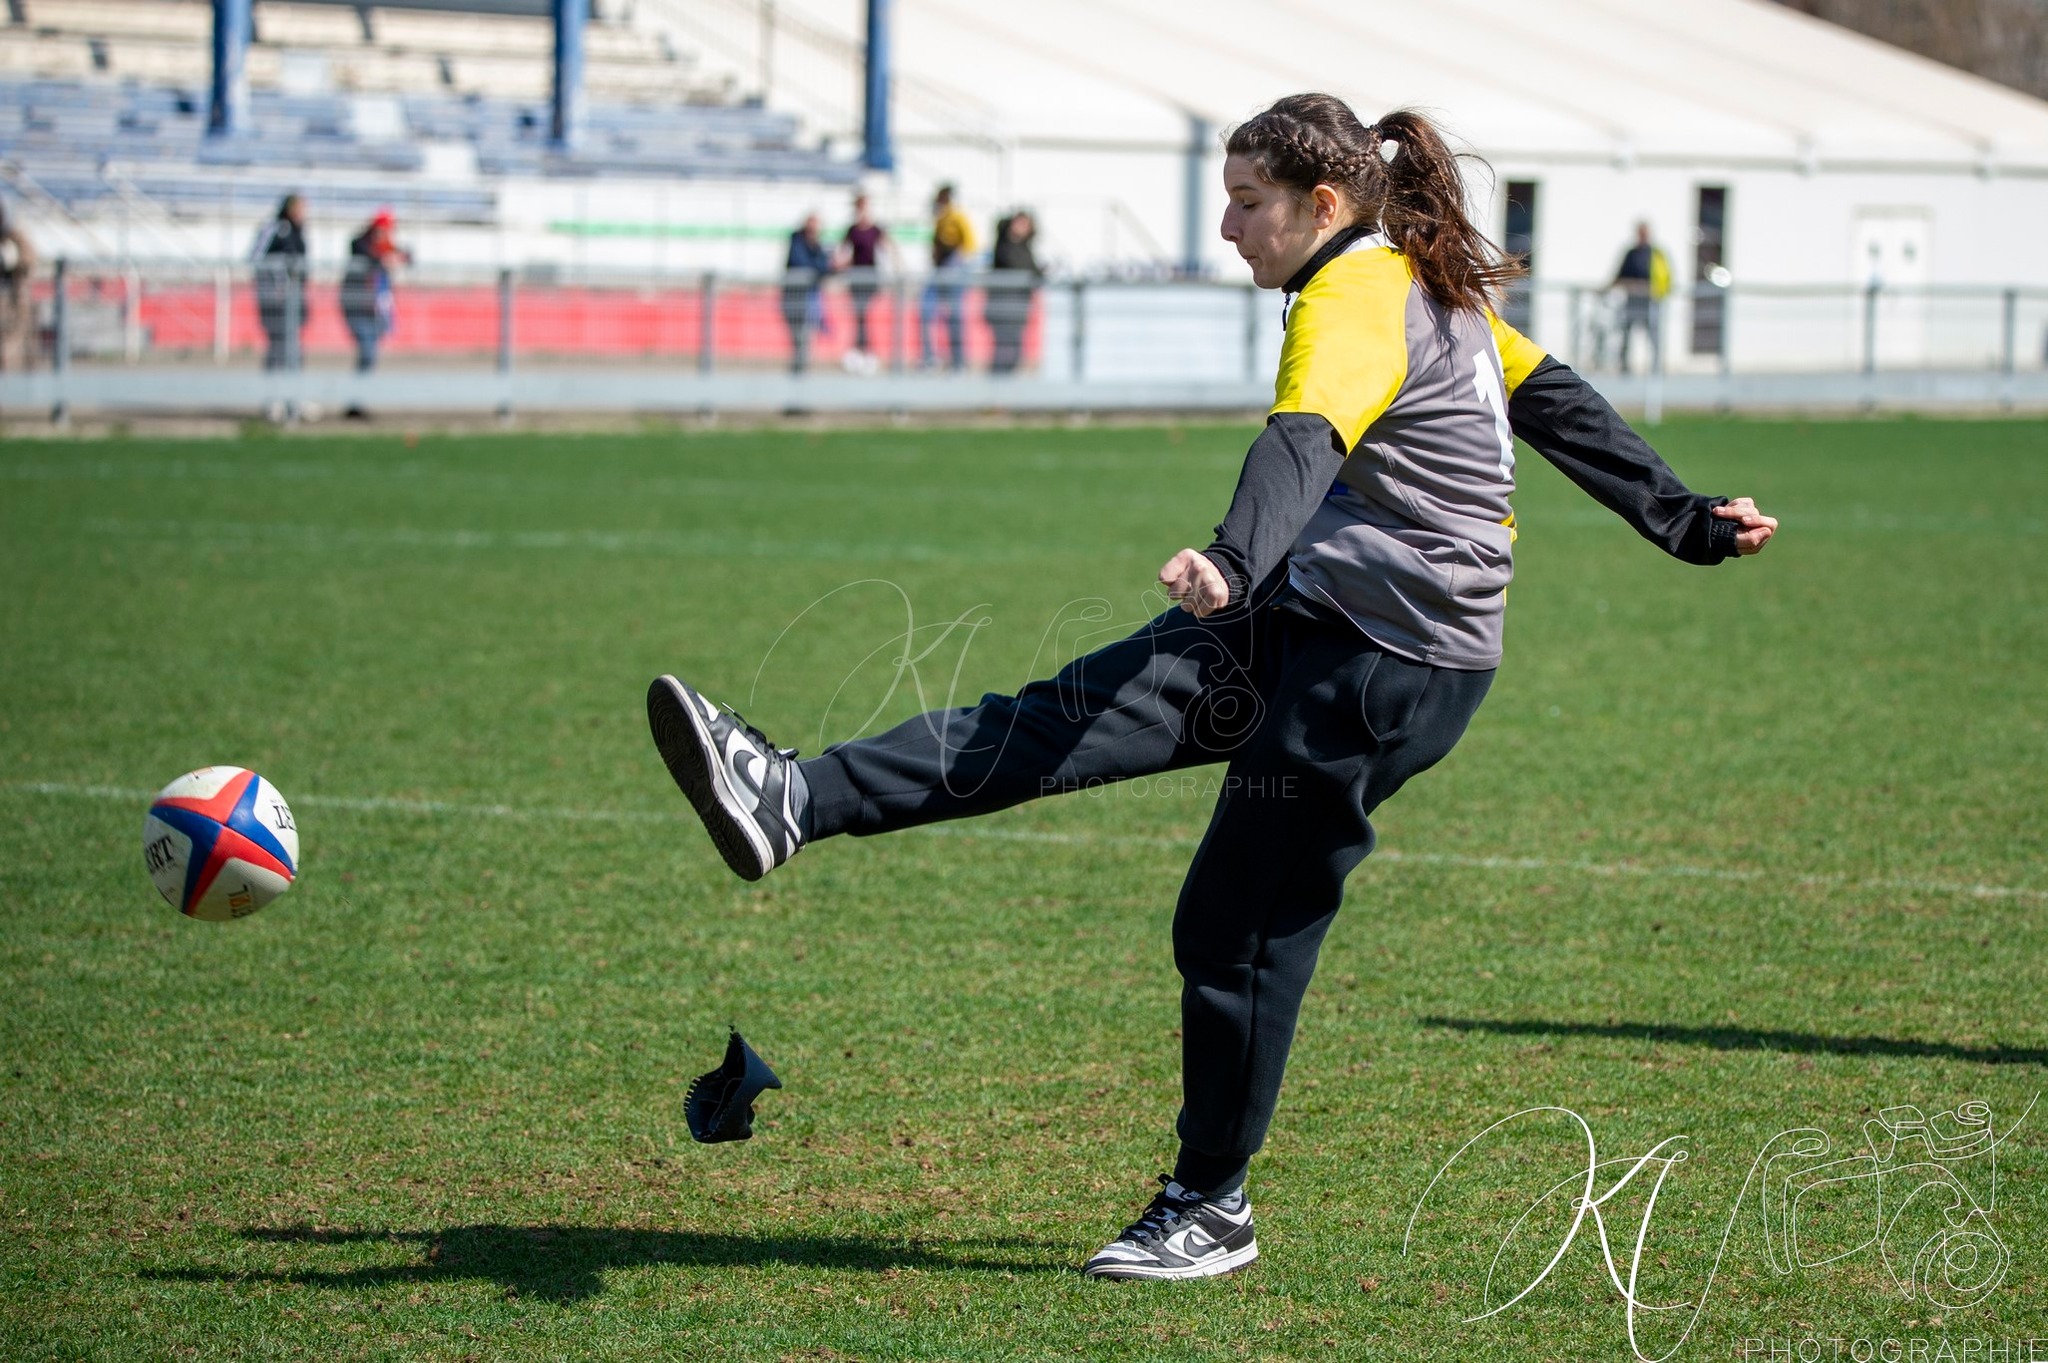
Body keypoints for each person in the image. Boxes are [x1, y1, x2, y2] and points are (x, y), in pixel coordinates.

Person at [644, 94, 1777, 1282]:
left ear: (1322, 206)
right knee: (1054, 721)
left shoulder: (1354, 292)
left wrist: (1232, 559)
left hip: (1387, 665)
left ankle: (1209, 1205)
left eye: (1247, 204)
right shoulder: (1413, 281)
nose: (1228, 227)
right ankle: (789, 798)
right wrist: (1685, 523)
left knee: (1233, 923)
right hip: (1301, 615)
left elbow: (1305, 440)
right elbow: (1554, 401)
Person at [339, 209, 409, 378]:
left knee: (370, 354)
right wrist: (384, 258)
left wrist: (396, 257)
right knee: (367, 351)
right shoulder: (361, 244)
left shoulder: (385, 246)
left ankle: (360, 393)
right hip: (359, 307)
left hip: (374, 309)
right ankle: (359, 393)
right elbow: (360, 250)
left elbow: (407, 255)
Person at [920, 184, 976, 371]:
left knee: (955, 316)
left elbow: (970, 245)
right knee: (927, 310)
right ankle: (930, 358)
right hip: (940, 270)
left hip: (953, 271)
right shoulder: (941, 219)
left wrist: (956, 265)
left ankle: (958, 361)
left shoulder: (957, 217)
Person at [251, 194, 309, 373]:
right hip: (273, 298)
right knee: (278, 343)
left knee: (291, 343)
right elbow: (256, 258)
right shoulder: (274, 228)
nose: (303, 213)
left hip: (293, 296)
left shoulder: (298, 231)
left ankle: (293, 392)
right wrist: (276, 282)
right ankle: (273, 392)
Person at [838, 194, 893, 374]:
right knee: (859, 316)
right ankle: (861, 351)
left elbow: (887, 247)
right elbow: (843, 252)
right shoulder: (852, 230)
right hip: (856, 279)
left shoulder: (875, 229)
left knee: (866, 316)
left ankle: (867, 352)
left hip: (870, 279)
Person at [985, 210, 1042, 375]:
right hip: (1002, 307)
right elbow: (1015, 265)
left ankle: (1002, 392)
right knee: (1002, 351)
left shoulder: (1026, 248)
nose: (1021, 227)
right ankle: (996, 393)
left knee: (1015, 352)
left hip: (1018, 308)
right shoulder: (1003, 244)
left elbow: (1033, 272)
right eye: (1018, 223)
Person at [1612, 221, 1670, 375]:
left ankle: (1656, 371)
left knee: (1654, 337)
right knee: (1626, 333)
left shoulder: (1656, 254)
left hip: (1650, 302)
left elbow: (1665, 279)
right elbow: (1620, 274)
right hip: (1632, 301)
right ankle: (1624, 369)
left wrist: (1656, 291)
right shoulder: (1631, 254)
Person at [781, 214, 835, 376]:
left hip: (808, 301)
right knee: (799, 340)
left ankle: (799, 377)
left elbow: (824, 267)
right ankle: (797, 378)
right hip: (794, 300)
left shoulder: (817, 247)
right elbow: (805, 264)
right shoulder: (797, 242)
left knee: (804, 341)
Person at [0, 198, 37, 372]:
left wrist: (14, 260)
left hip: (9, 301)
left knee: (10, 345)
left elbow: (29, 261)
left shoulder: (14, 238)